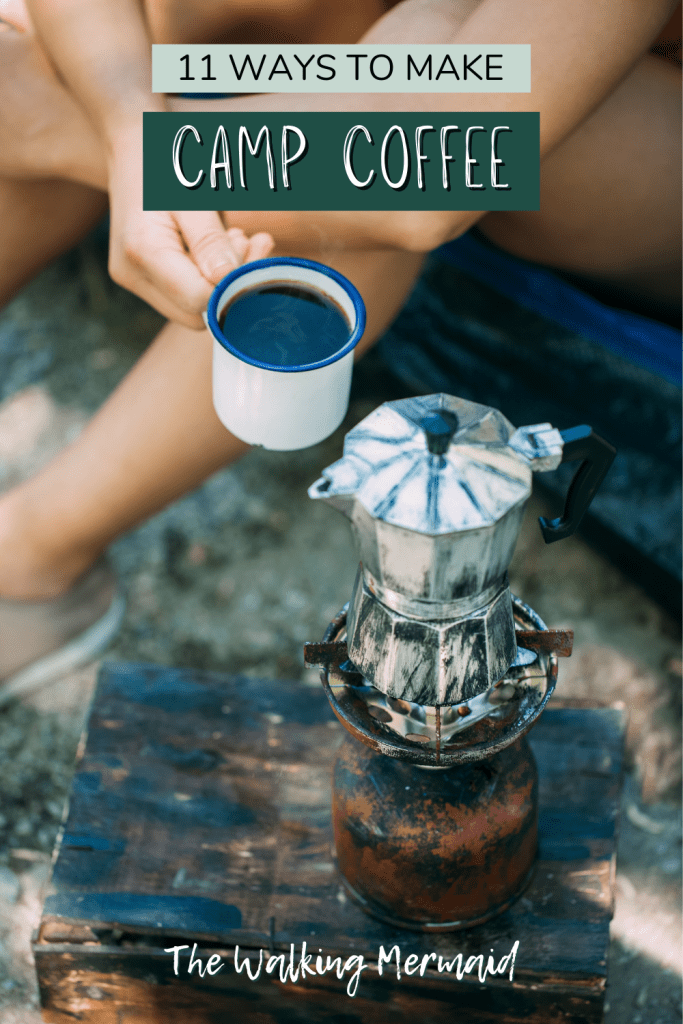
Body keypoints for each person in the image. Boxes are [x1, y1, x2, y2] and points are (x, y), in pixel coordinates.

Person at [0, 0, 680, 696]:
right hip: (419, 58)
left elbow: (438, 164)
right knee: (147, 35)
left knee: (396, 102)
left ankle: (30, 565)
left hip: (615, 134)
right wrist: (123, 115)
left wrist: (72, 131)